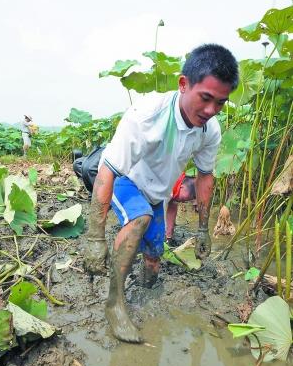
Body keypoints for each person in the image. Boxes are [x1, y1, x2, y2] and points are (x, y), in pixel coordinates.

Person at [84, 43, 239, 343]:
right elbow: (108, 171)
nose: (211, 110)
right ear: (184, 84)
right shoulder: (147, 115)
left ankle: (141, 287)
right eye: (205, 98)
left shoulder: (210, 129)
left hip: (158, 194)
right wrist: (94, 238)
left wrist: (204, 230)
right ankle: (114, 303)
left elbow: (205, 177)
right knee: (138, 219)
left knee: (154, 262)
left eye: (220, 103)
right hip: (124, 180)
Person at [166, 172, 197, 245]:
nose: (187, 201)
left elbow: (171, 212)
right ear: (182, 186)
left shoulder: (174, 195)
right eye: (192, 196)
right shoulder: (167, 189)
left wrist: (169, 237)